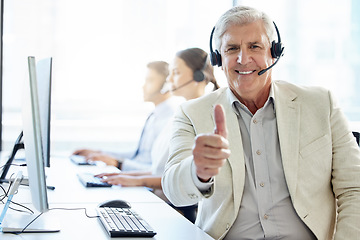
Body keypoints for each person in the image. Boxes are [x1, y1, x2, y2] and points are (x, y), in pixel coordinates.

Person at [161, 6, 360, 240]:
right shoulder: (191, 113)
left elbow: (354, 188)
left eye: (254, 46)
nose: (243, 59)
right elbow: (173, 190)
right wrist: (198, 172)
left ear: (274, 53)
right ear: (218, 59)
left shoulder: (320, 103)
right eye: (232, 48)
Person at [96, 48, 219, 223]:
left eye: (175, 73)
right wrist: (127, 177)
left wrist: (138, 180)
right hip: (158, 202)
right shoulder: (180, 115)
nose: (169, 80)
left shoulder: (205, 118)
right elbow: (161, 171)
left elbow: (184, 180)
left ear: (198, 76)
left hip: (178, 212)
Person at [73, 61, 183, 171]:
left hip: (145, 184)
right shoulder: (155, 115)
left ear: (166, 85)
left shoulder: (169, 120)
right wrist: (99, 153)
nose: (143, 86)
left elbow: (158, 172)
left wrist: (118, 163)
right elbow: (138, 156)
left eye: (150, 81)